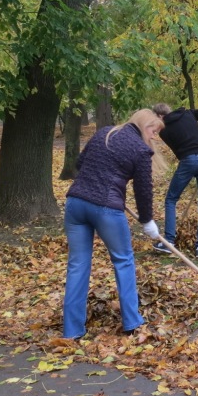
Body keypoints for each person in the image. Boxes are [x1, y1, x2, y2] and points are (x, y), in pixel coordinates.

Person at [62, 109, 165, 339]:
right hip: (106, 209)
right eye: (154, 130)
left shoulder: (104, 133)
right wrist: (147, 220)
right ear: (143, 124)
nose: (154, 136)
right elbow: (143, 191)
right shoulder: (140, 150)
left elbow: (80, 163)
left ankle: (72, 330)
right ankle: (132, 322)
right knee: (123, 260)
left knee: (78, 265)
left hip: (75, 203)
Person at [151, 103, 198, 258]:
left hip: (188, 160)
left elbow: (178, 152)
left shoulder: (164, 131)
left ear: (159, 116)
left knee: (171, 199)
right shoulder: (188, 114)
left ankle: (169, 242)